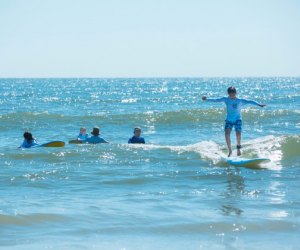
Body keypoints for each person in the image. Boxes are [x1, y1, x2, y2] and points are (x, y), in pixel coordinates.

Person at [202, 86, 266, 157]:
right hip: (229, 120)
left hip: (237, 120)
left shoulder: (240, 100)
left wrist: (259, 105)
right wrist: (206, 99)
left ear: (235, 93)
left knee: (238, 134)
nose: (231, 95)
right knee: (227, 134)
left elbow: (250, 101)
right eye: (230, 94)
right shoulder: (226, 99)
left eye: (233, 93)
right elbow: (216, 100)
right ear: (228, 93)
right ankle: (230, 150)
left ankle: (238, 148)